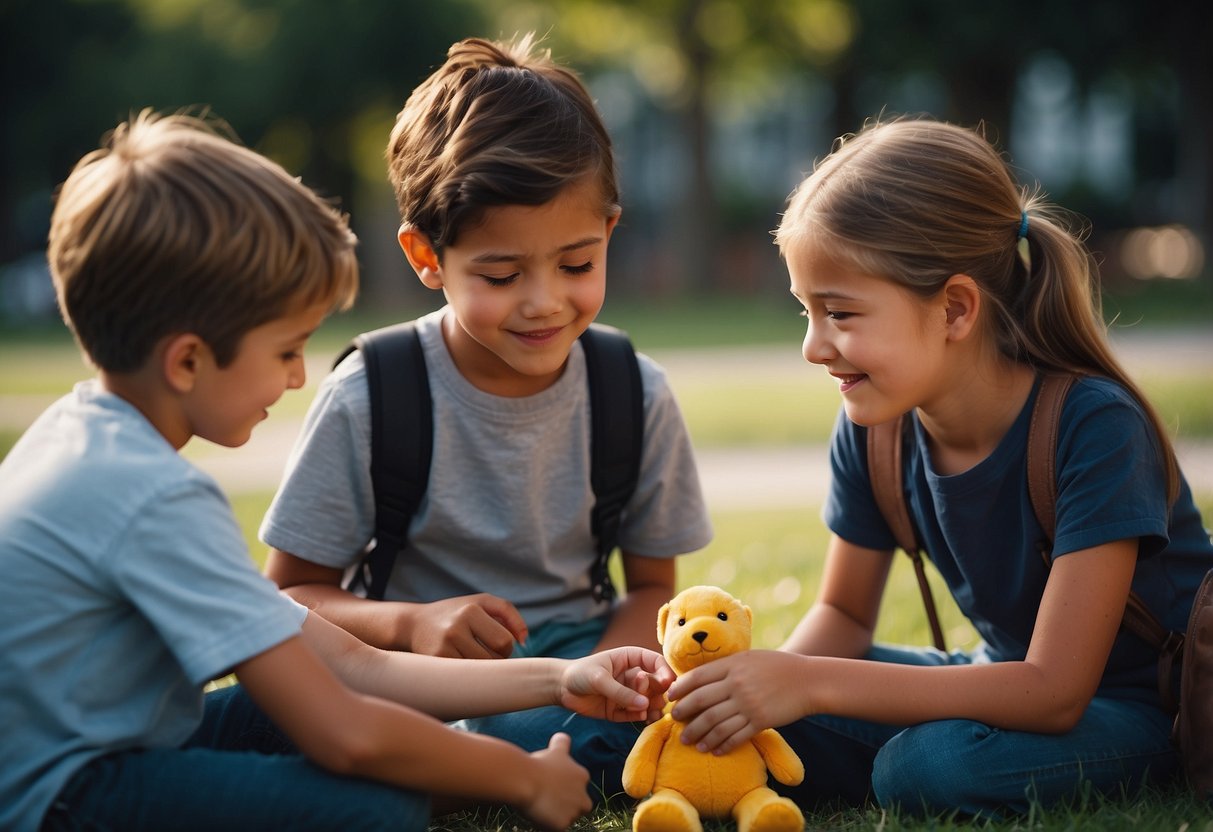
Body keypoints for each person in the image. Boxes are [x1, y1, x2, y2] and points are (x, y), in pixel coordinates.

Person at [0, 109, 677, 832]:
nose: (297, 379)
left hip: (128, 746)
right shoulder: (149, 495)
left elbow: (354, 666)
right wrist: (520, 778)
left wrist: (561, 678)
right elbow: (344, 734)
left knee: (312, 726)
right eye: (287, 349)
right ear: (188, 360)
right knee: (363, 811)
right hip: (62, 794)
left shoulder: (82, 436)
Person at [664, 117, 1213, 818]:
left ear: (954, 308)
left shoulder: (1094, 426)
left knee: (927, 765)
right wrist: (763, 688)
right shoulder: (876, 426)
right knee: (767, 718)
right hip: (996, 684)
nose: (812, 346)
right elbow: (841, 614)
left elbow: (1053, 689)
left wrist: (807, 683)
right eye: (806, 311)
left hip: (1136, 710)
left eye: (839, 313)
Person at [259, 34, 712, 799]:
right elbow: (291, 597)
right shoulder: (374, 395)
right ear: (425, 257)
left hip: (580, 655)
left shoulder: (631, 392)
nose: (543, 301)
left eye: (576, 264)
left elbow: (648, 592)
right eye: (500, 273)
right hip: (414, 675)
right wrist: (412, 624)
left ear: (608, 231)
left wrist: (623, 685)